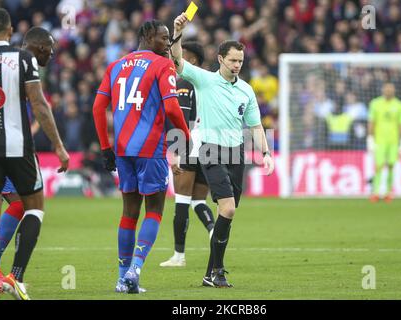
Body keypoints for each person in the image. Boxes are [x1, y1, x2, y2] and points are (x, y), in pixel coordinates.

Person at [172, 13, 275, 288]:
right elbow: (177, 60)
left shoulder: (246, 90)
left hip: (235, 153)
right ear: (220, 59)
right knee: (227, 209)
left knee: (227, 214)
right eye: (232, 60)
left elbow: (255, 126)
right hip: (210, 149)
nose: (237, 65)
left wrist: (266, 153)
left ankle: (210, 274)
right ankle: (217, 270)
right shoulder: (204, 79)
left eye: (240, 61)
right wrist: (177, 31)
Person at [92, 19, 190, 294]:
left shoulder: (116, 66)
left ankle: (122, 278)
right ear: (147, 36)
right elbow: (171, 108)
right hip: (151, 149)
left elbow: (98, 108)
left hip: (123, 150)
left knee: (128, 213)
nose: (168, 44)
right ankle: (135, 269)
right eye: (164, 38)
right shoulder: (162, 65)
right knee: (155, 210)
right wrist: (186, 135)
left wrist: (105, 147)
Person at [0, 9, 69, 301]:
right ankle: (15, 275)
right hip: (17, 147)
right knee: (34, 208)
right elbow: (39, 104)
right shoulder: (22, 58)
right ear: (10, 30)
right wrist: (59, 146)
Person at [0, 27, 51, 286]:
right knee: (23, 205)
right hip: (7, 146)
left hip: (8, 143)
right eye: (48, 48)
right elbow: (37, 104)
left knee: (19, 205)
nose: (50, 53)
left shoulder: (9, 61)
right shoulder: (21, 62)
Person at [160, 42, 215, 268]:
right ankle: (214, 231)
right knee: (198, 200)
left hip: (190, 145)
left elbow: (178, 117)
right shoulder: (211, 83)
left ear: (190, 60)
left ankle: (179, 256)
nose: (173, 61)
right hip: (211, 147)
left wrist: (174, 152)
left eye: (178, 56)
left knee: (181, 200)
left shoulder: (184, 83)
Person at [367, 82, 401, 202]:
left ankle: (388, 192)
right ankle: (375, 192)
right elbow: (371, 122)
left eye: (391, 89)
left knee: (391, 165)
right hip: (379, 140)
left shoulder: (399, 105)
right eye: (387, 89)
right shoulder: (375, 103)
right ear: (383, 90)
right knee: (378, 165)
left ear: (394, 91)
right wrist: (370, 138)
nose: (389, 91)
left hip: (393, 141)